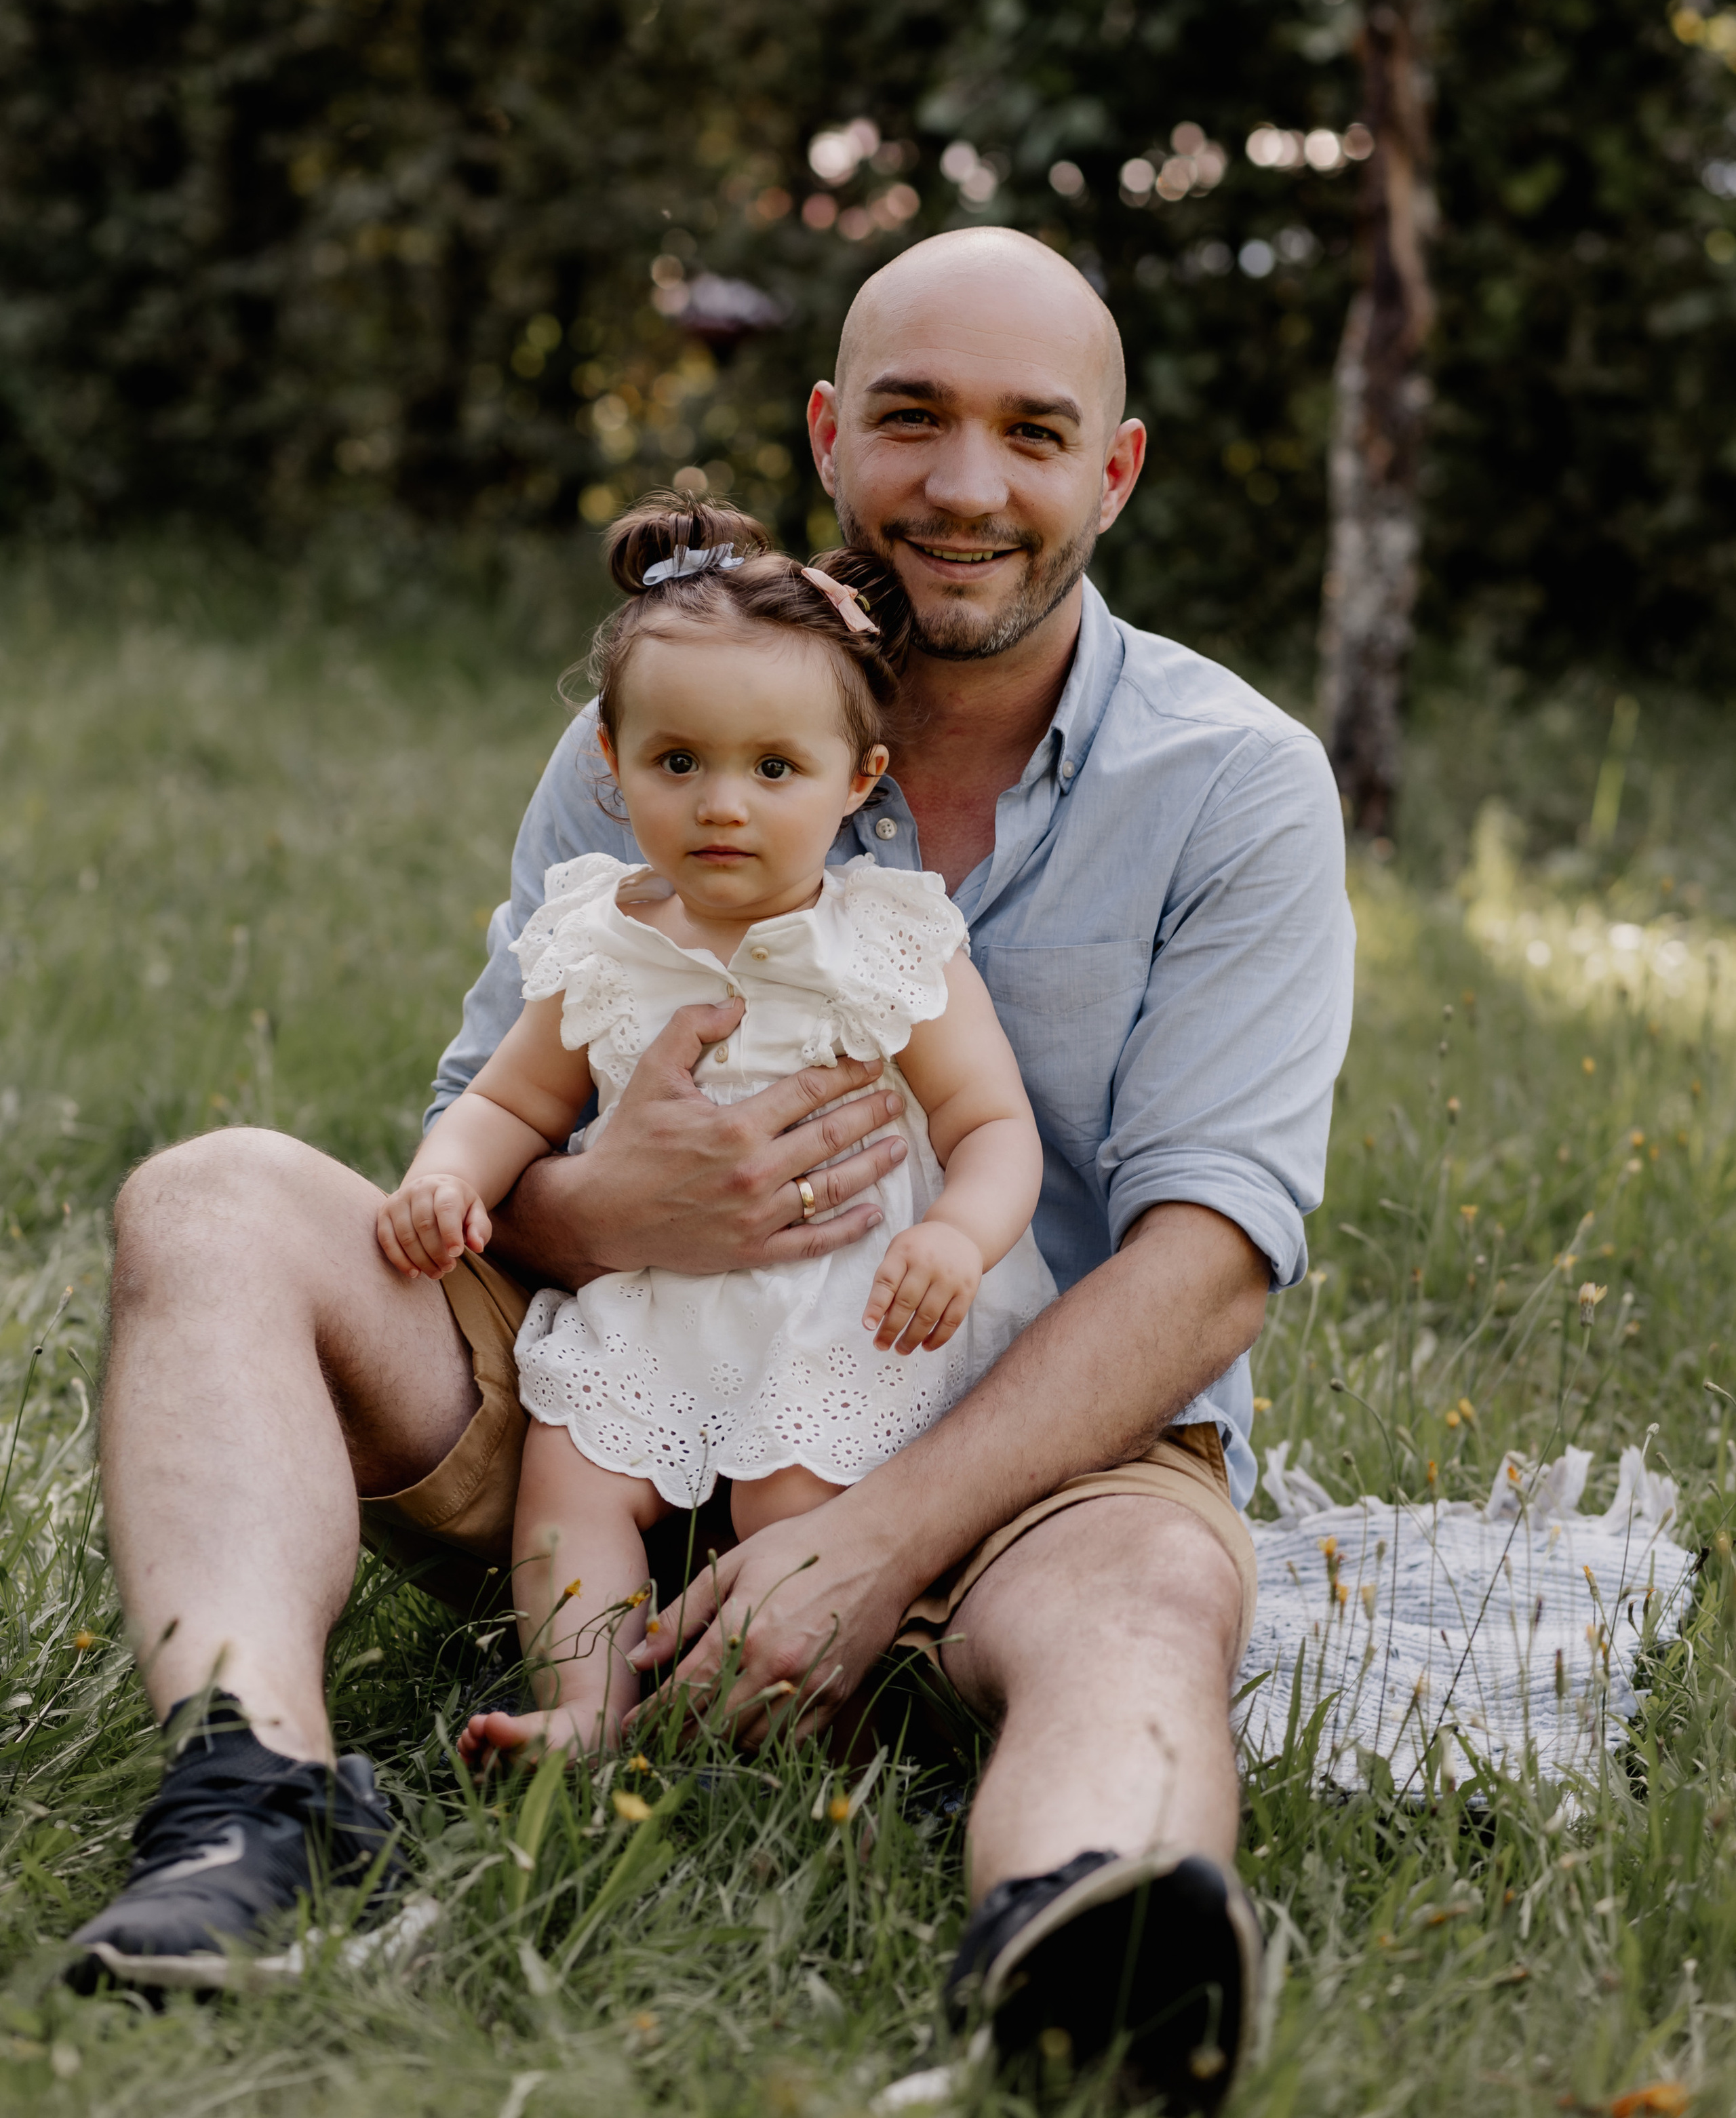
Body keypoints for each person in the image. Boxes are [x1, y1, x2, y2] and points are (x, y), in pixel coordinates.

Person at [75, 227, 1353, 2111]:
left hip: (1020, 1438)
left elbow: (1212, 1257)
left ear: (1116, 468)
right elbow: (479, 1120)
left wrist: (882, 1534)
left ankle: (1086, 1924)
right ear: (832, 434)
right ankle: (247, 1795)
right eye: (913, 420)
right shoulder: (672, 713)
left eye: (1033, 431)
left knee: (1144, 1609)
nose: (969, 486)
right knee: (212, 1198)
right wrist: (611, 1207)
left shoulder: (1234, 784)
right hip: (618, 1386)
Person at [371, 495, 1054, 1760]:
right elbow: (514, 1101)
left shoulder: (884, 937)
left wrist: (959, 1238)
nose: (722, 805)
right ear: (611, 767)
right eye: (677, 763)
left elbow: (993, 1123)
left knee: (791, 1510)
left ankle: (798, 1736)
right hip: (652, 1298)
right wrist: (445, 1177)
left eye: (774, 769)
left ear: (860, 782)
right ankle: (586, 1712)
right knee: (567, 1495)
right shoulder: (605, 936)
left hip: (840, 1309)